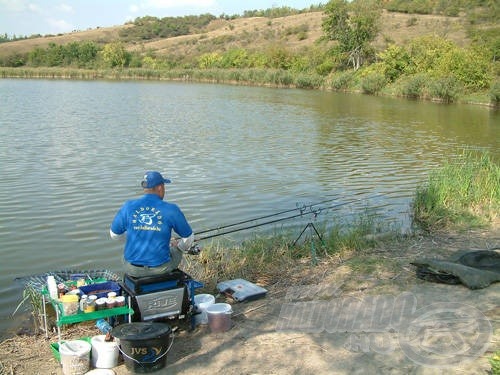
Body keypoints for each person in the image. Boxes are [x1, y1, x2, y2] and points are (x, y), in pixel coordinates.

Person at [110, 171, 194, 278]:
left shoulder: (128, 206)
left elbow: (114, 234)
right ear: (160, 187)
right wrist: (178, 247)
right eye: (164, 186)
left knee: (125, 256)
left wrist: (133, 238)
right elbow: (189, 238)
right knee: (175, 250)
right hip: (160, 269)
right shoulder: (171, 209)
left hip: (132, 269)